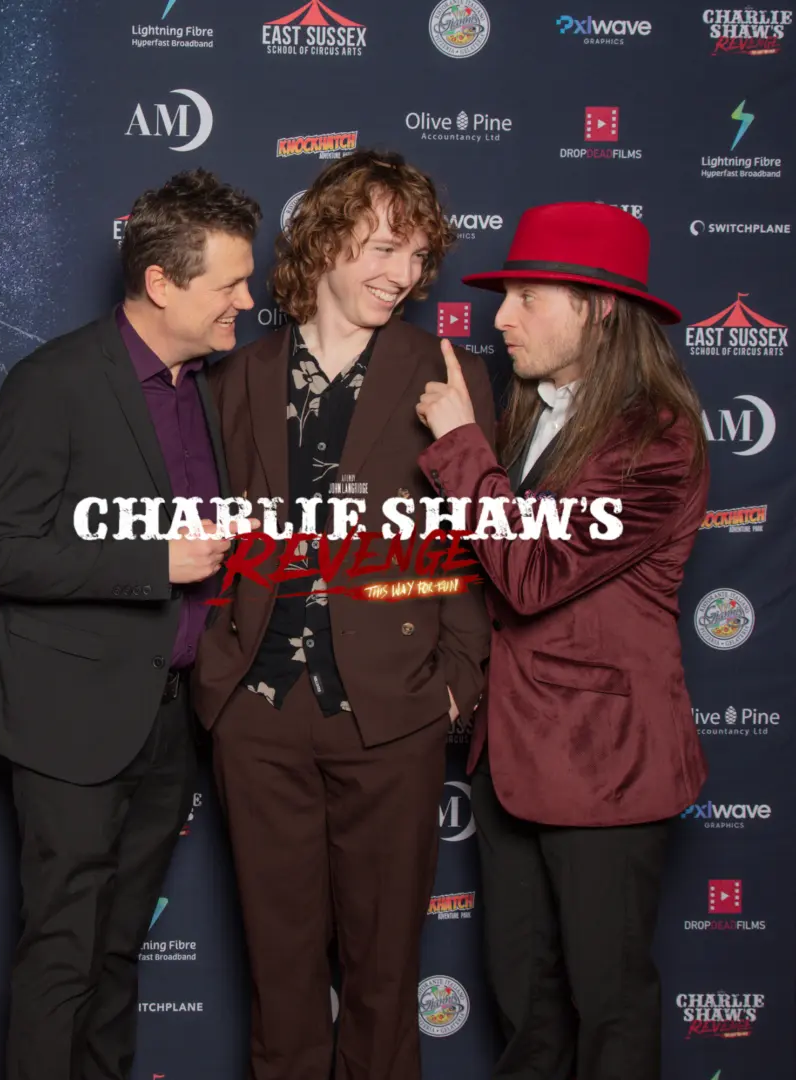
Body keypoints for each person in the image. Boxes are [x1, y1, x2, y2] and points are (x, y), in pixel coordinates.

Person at [191, 150, 494, 1080]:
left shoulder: (446, 372)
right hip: (258, 710)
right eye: (384, 248)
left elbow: (471, 541)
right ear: (325, 241)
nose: (403, 274)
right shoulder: (239, 373)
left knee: (383, 978)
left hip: (393, 710)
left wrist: (456, 680)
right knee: (279, 977)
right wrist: (219, 677)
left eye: (418, 257)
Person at [0, 169, 252, 1080]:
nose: (248, 302)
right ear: (162, 283)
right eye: (231, 284)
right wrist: (151, 563)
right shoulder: (54, 381)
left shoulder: (206, 388)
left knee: (119, 952)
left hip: (169, 717)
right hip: (70, 721)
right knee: (64, 955)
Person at [414, 202, 709, 1080]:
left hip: (606, 766)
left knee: (609, 1010)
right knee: (526, 1010)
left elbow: (536, 573)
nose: (501, 318)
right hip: (511, 758)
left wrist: (460, 445)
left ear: (599, 308)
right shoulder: (528, 414)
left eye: (527, 298)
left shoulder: (657, 439)